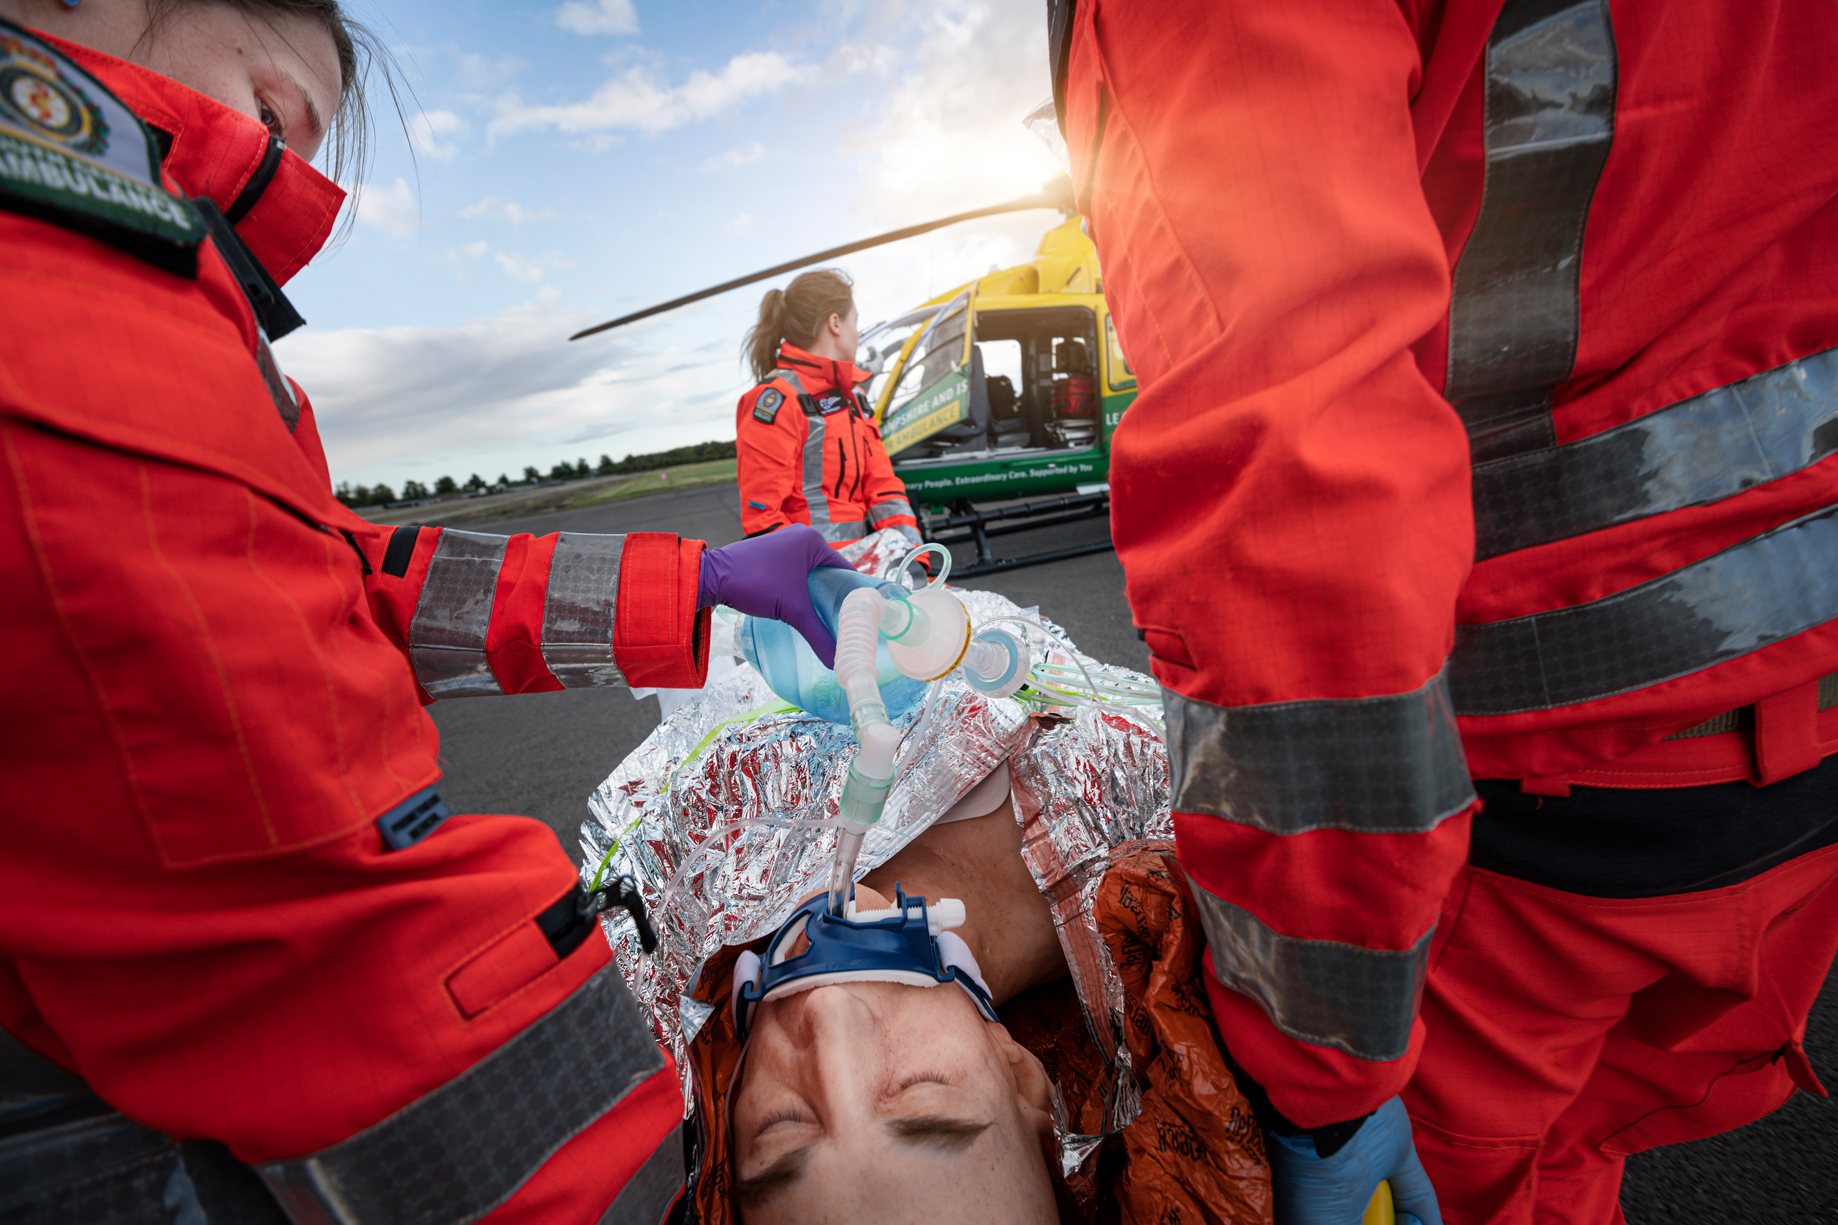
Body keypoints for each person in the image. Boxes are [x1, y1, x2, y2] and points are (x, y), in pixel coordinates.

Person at [0, 2, 851, 1221]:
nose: (286, 176)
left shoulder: (146, 286)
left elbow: (356, 573)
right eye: (272, 116)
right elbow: (292, 896)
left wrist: (699, 584)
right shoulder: (71, 242)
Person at [1050, 0, 1838, 1222]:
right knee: (1572, 1160)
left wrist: (1317, 1072)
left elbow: (1296, 492)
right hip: (1801, 729)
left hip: (1552, 791)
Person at [735, 269, 922, 548]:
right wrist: (829, 579)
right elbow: (763, 521)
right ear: (835, 323)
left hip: (860, 571)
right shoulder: (775, 399)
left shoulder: (854, 395)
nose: (858, 333)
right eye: (855, 321)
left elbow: (883, 488)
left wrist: (916, 563)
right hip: (810, 579)